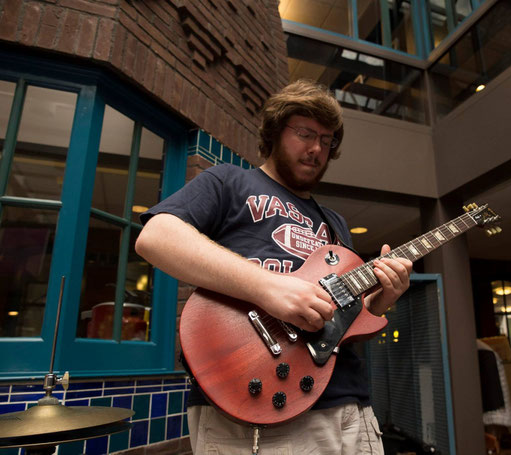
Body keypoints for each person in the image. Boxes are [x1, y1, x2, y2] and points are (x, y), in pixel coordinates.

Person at [135, 79, 412, 454]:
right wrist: (271, 288)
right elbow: (157, 237)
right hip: (256, 404)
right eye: (304, 133)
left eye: (327, 140)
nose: (317, 148)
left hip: (351, 408)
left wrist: (380, 302)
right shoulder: (229, 181)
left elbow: (343, 319)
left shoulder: (334, 223)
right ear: (274, 131)